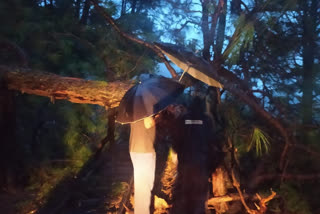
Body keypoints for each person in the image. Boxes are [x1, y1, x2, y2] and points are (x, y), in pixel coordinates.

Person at [129, 116, 156, 214]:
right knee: (144, 187)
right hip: (144, 151)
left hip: (136, 150)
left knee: (142, 186)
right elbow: (149, 124)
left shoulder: (134, 114)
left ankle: (140, 211)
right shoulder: (146, 115)